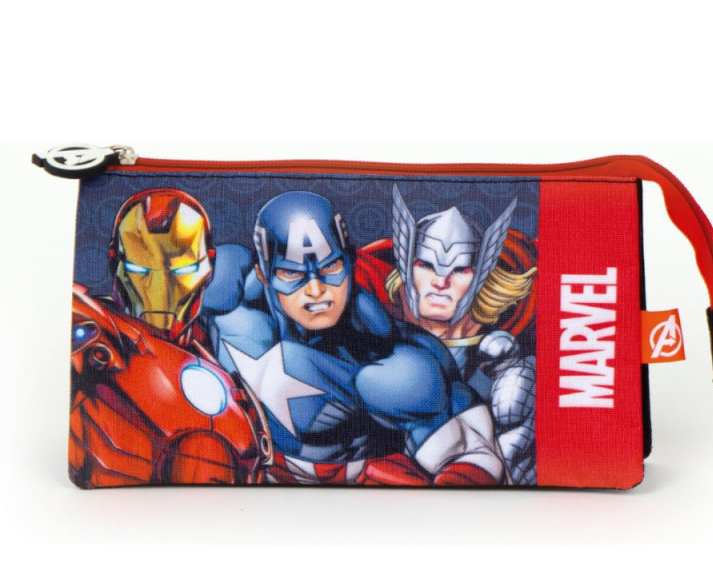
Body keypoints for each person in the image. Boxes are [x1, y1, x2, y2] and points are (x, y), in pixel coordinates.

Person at [203, 190, 507, 486]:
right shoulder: (225, 292)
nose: (315, 290)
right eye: (292, 274)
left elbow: (473, 461)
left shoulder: (394, 358)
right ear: (263, 273)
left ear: (350, 261)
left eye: (330, 267)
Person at [70, 188, 271, 487]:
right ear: (115, 262)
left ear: (209, 265)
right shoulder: (97, 330)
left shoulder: (211, 352)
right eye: (139, 269)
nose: (159, 291)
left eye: (184, 270)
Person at [357, 185, 538, 485]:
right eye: (426, 265)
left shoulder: (501, 364)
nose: (441, 281)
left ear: (481, 275)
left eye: (460, 270)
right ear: (407, 267)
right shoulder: (373, 335)